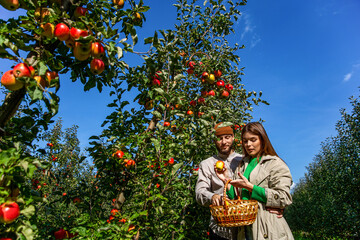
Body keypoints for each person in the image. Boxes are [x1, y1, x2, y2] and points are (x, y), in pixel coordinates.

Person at [215, 122, 294, 240]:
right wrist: (226, 179)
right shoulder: (242, 164)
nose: (248, 144)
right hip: (245, 230)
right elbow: (238, 198)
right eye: (245, 141)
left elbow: (284, 197)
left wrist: (251, 188)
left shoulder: (274, 163)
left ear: (262, 139)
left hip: (268, 228)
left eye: (253, 140)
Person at [195, 122, 243, 240]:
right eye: (219, 138)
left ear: (233, 138)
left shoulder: (243, 160)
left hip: (244, 224)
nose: (224, 142)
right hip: (219, 228)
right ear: (214, 141)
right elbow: (200, 191)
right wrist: (213, 197)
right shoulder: (207, 164)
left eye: (227, 137)